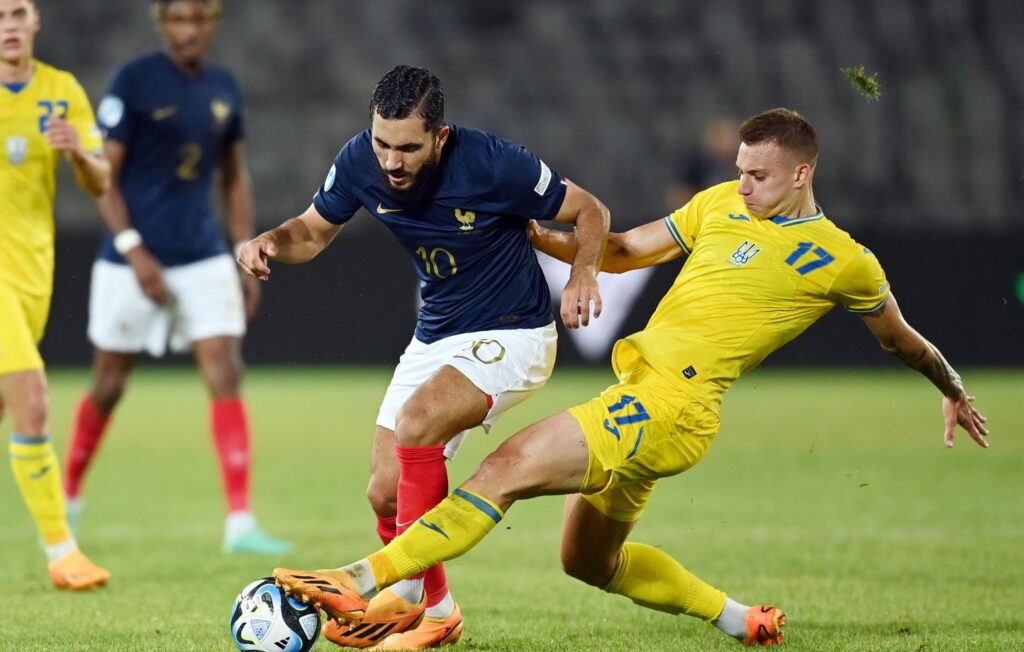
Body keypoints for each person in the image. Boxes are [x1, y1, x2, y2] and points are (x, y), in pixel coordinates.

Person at [271, 108, 990, 648]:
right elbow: (618, 249)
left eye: (758, 175)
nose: (742, 184)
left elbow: (902, 340)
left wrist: (951, 386)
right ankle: (744, 621)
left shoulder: (843, 258)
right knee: (588, 561)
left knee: (506, 468)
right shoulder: (717, 206)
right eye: (738, 169)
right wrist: (527, 229)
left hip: (674, 406)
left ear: (801, 173)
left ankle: (361, 580)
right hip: (641, 398)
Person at [237, 65, 609, 648]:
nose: (391, 162)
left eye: (408, 148)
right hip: (436, 334)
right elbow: (310, 232)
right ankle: (421, 599)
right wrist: (270, 242)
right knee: (383, 493)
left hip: (514, 332)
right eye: (383, 143)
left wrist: (583, 272)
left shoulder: (492, 163)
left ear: (439, 136)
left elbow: (590, 210)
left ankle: (428, 607)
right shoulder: (361, 158)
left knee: (417, 424)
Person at [61, 0, 289, 555]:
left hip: (203, 255)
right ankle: (66, 498)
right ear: (162, 22)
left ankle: (240, 523)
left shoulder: (223, 87)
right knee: (109, 384)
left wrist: (242, 252)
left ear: (214, 23)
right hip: (129, 259)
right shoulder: (133, 82)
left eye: (201, 18)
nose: (190, 29)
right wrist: (134, 249)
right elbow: (103, 179)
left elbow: (233, 175)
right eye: (180, 18)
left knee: (224, 372)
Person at [0, 0, 112, 589]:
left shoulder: (61, 90)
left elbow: (100, 179)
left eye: (17, 13)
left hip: (31, 271)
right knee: (34, 400)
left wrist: (76, 151)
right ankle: (62, 551)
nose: (9, 26)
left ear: (35, 19)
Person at [665, 116, 739, 211]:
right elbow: (678, 197)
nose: (724, 141)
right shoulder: (697, 165)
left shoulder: (745, 164)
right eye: (718, 137)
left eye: (728, 136)